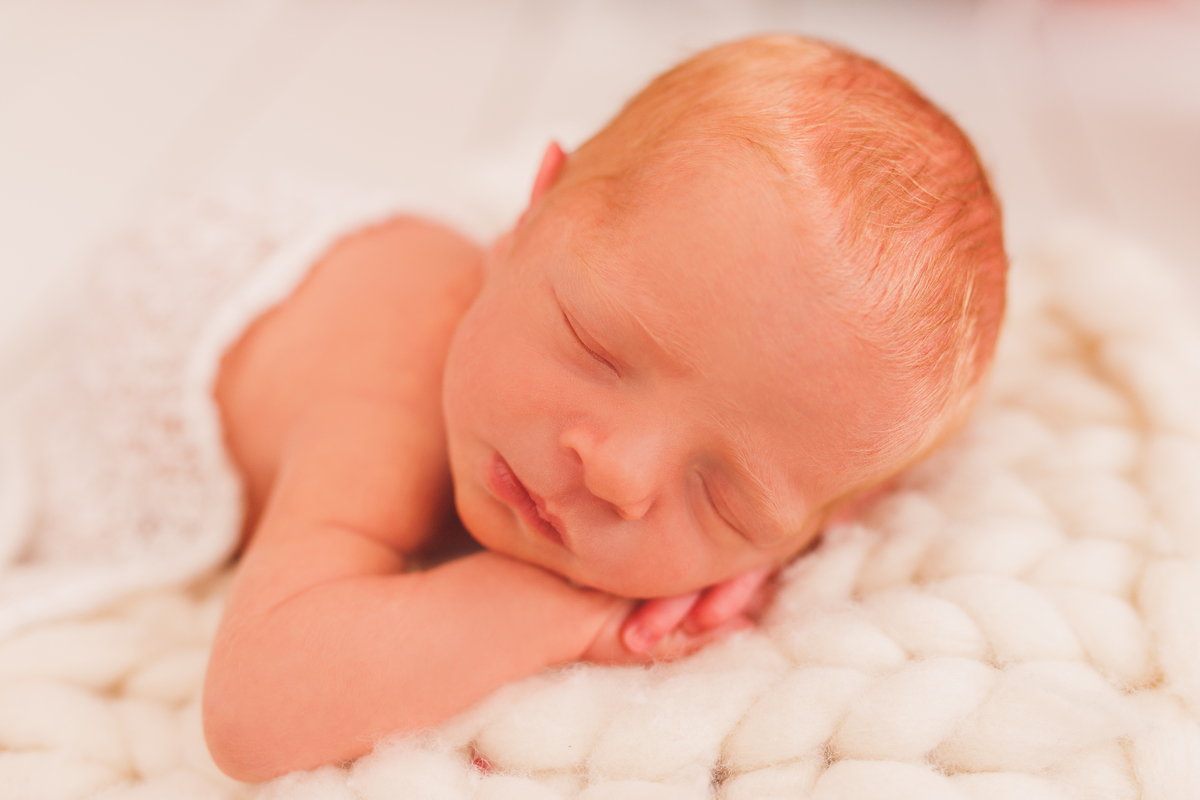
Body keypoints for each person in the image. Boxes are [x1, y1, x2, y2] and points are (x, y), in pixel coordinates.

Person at [0, 34, 1005, 782]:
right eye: (599, 349)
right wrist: (551, 609)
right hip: (170, 307)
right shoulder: (382, 403)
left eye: (723, 496)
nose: (616, 472)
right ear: (525, 221)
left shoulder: (647, 376)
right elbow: (253, 711)